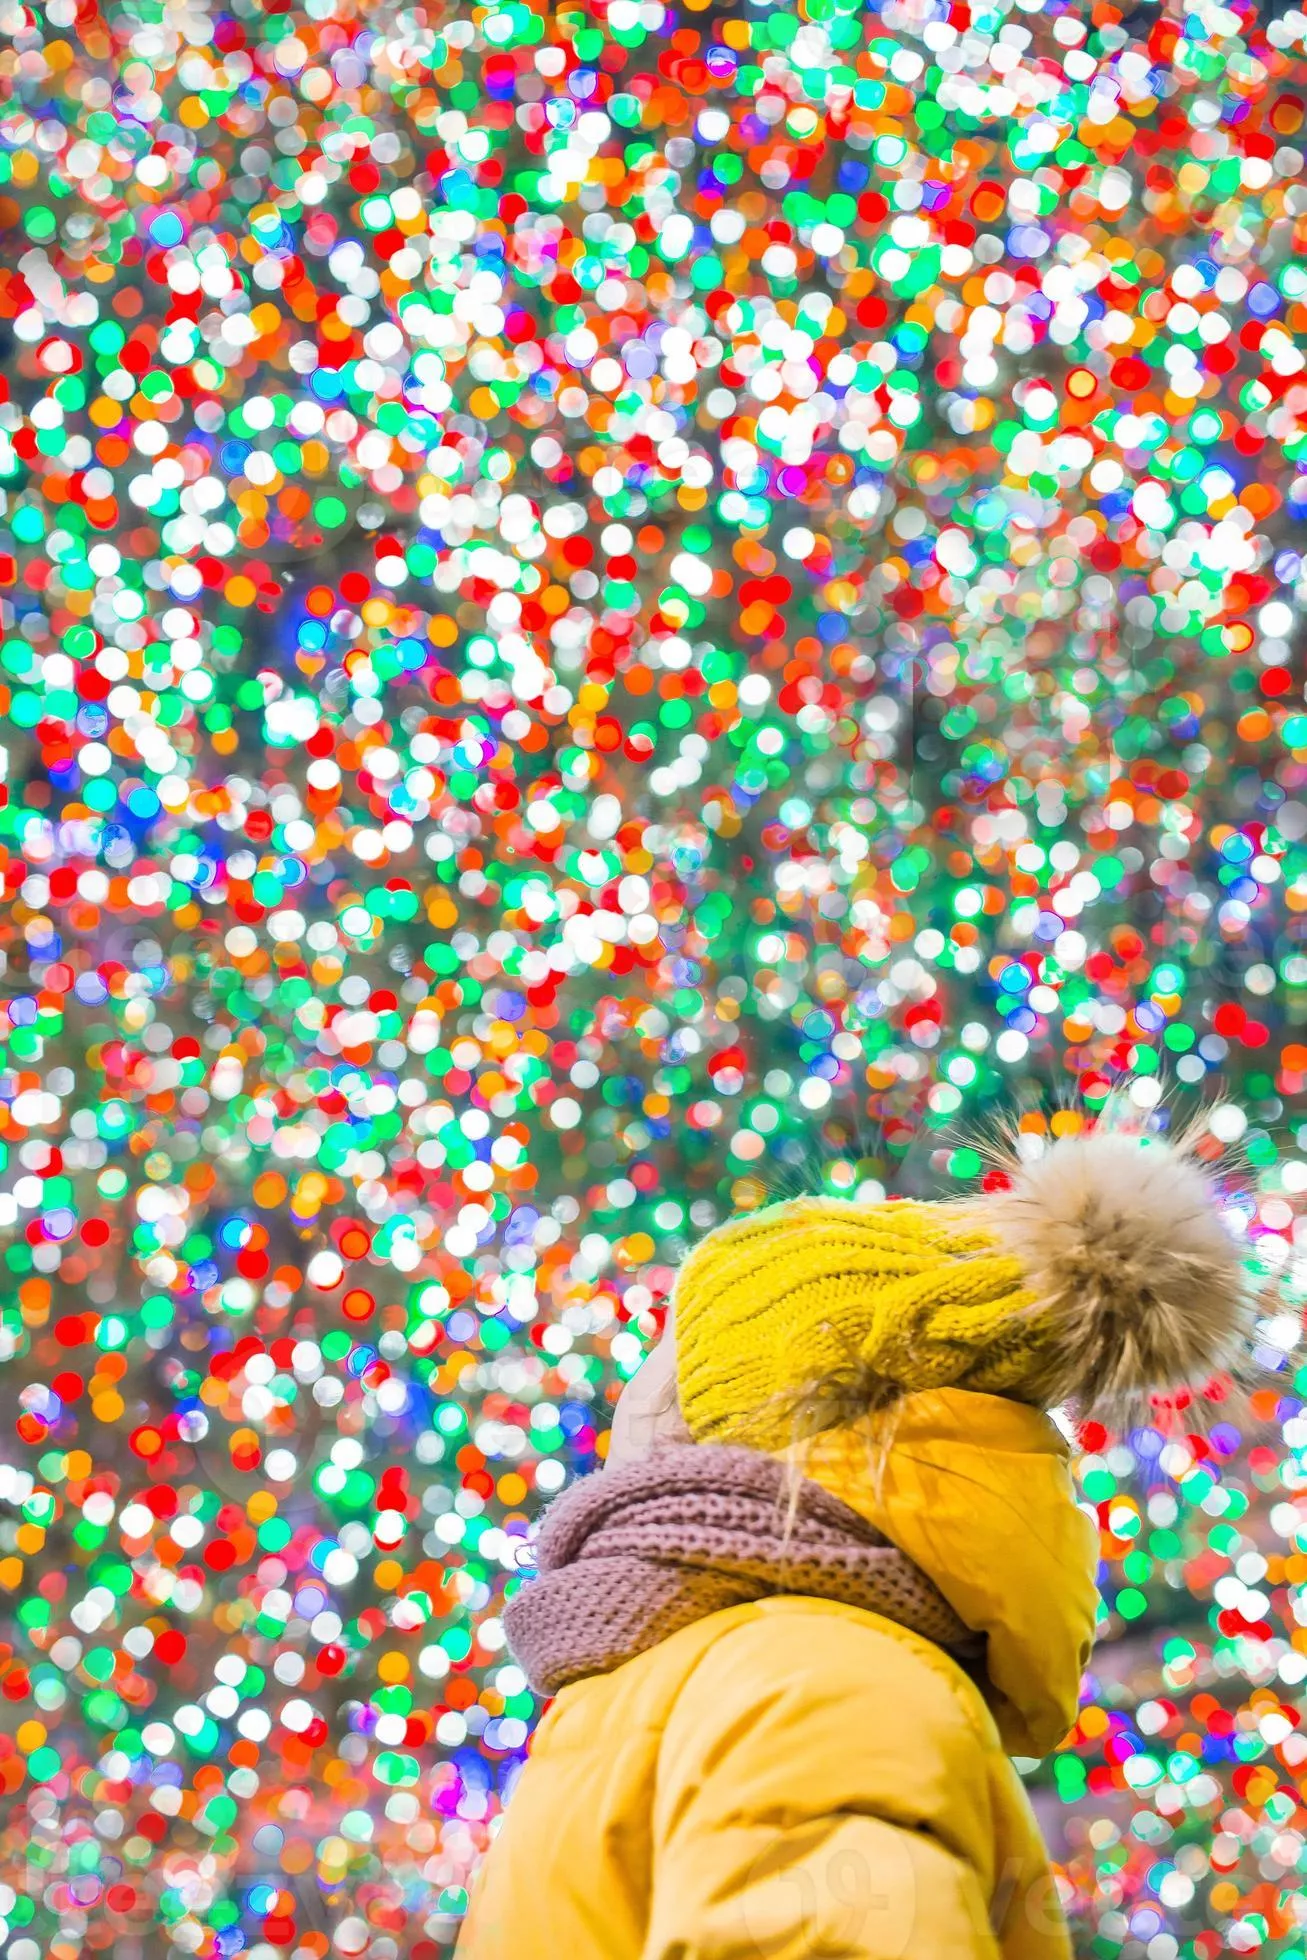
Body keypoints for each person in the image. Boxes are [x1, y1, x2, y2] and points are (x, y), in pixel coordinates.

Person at [460, 1123, 1253, 1958]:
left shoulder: (810, 1681)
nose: (642, 1390)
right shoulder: (732, 1669)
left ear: (751, 1413)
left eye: (679, 1350)